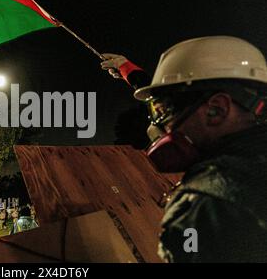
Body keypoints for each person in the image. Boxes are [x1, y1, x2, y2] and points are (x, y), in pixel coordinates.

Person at [102, 36, 267, 262]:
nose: (158, 125)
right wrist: (128, 70)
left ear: (216, 110)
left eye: (164, 111)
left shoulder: (207, 205)